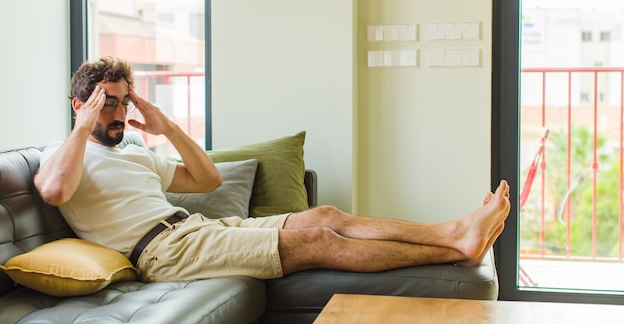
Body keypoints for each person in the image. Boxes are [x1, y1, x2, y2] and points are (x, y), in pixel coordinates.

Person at [35, 56, 511, 282]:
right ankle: (454, 247)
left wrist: (170, 128)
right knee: (320, 242)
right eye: (105, 105)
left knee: (326, 216)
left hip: (195, 228)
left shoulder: (135, 149)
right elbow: (55, 191)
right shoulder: (60, 153)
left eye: (122, 103)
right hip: (159, 253)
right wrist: (82, 125)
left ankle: (454, 233)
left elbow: (207, 180)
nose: (118, 114)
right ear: (80, 104)